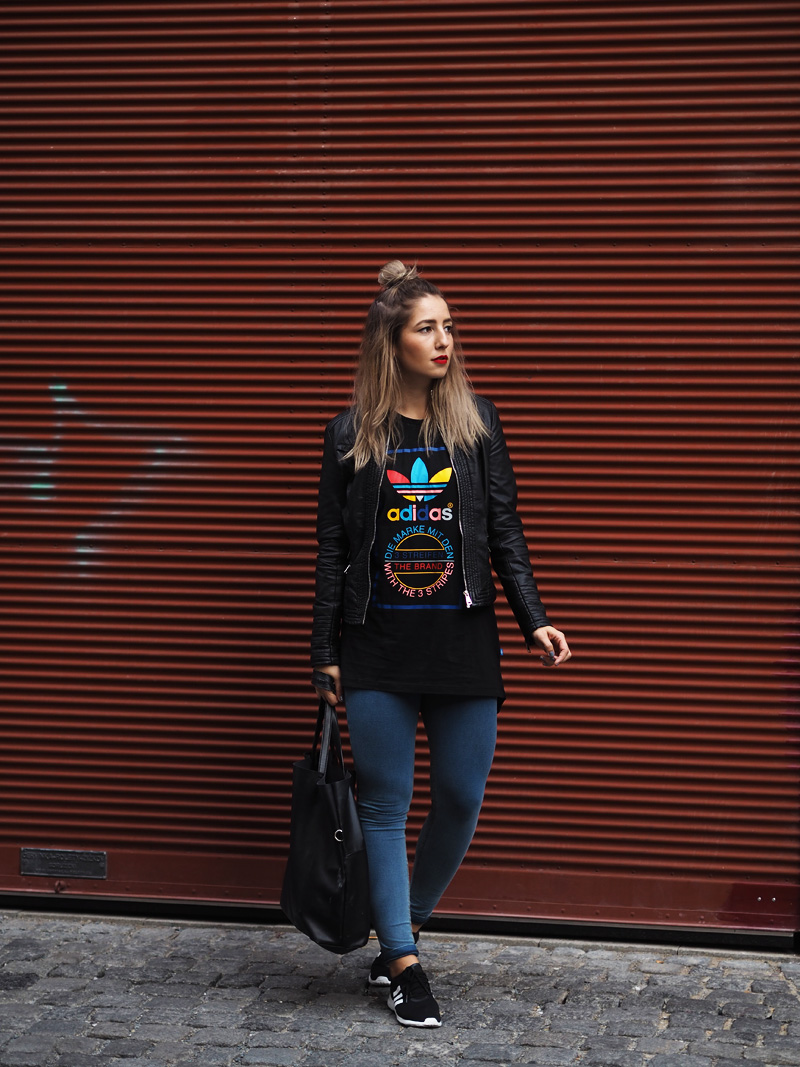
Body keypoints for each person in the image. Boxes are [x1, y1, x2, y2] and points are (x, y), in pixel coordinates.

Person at [310, 260, 571, 1028]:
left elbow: (504, 529)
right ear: (391, 342)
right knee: (384, 803)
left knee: (460, 795)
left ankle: (407, 922)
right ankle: (401, 961)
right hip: (378, 643)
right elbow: (332, 549)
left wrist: (533, 616)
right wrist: (324, 650)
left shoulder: (477, 423)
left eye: (448, 326)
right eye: (426, 327)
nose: (444, 339)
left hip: (462, 639)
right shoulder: (349, 434)